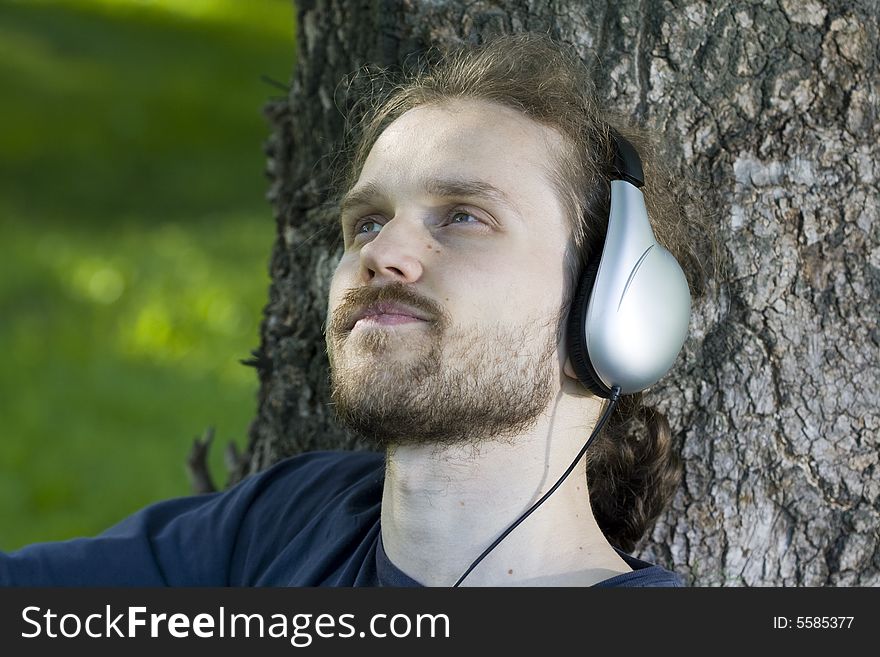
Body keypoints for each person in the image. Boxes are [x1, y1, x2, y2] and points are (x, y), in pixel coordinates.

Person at [1, 33, 709, 587]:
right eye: (366, 222)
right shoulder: (290, 521)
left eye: (463, 216)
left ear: (613, 307)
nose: (383, 252)